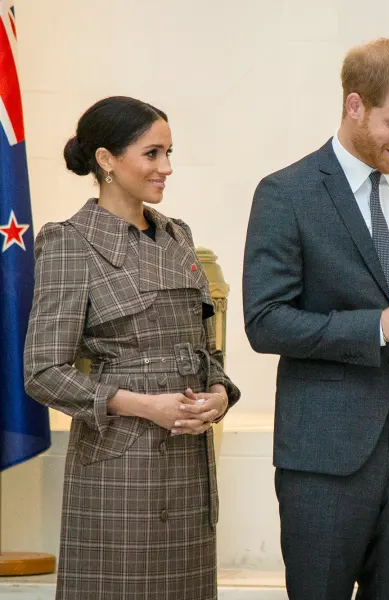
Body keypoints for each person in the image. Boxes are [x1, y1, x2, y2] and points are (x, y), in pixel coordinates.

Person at [242, 38, 389, 600]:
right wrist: (376, 326)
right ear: (354, 105)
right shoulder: (287, 193)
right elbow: (266, 320)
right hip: (325, 453)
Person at [24, 96, 240, 600]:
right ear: (106, 160)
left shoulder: (177, 236)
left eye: (169, 153)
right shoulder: (70, 242)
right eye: (152, 154)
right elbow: (43, 371)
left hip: (189, 466)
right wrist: (142, 405)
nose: (166, 168)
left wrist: (218, 394)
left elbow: (206, 352)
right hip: (119, 467)